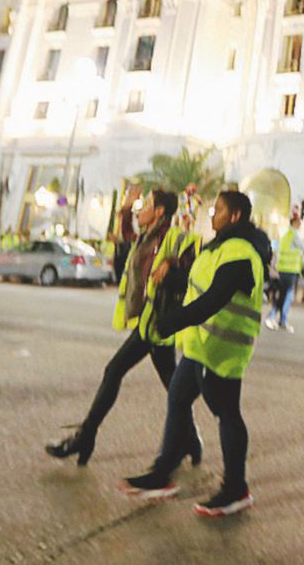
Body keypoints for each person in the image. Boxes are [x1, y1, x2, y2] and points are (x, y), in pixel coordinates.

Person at [120, 190, 270, 518]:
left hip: (222, 350)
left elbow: (214, 298)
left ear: (235, 216)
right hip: (200, 346)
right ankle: (162, 473)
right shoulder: (218, 246)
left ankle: (236, 489)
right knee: (177, 398)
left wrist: (171, 322)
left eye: (219, 210)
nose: (212, 214)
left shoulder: (241, 252)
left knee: (227, 414)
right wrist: (172, 275)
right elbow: (197, 279)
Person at [45, 190, 200, 466]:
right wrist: (126, 209)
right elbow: (127, 236)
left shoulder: (171, 238)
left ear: (160, 211)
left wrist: (171, 264)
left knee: (114, 370)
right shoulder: (147, 237)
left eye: (147, 204)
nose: (142, 209)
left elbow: (191, 271)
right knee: (172, 386)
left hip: (157, 322)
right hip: (149, 322)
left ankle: (85, 436)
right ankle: (191, 441)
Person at [266, 214, 304, 332]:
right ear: (293, 223)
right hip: (290, 269)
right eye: (298, 222)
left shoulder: (285, 235)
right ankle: (275, 317)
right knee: (287, 296)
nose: (300, 224)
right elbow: (302, 247)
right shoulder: (294, 235)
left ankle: (279, 318)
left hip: (283, 269)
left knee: (284, 295)